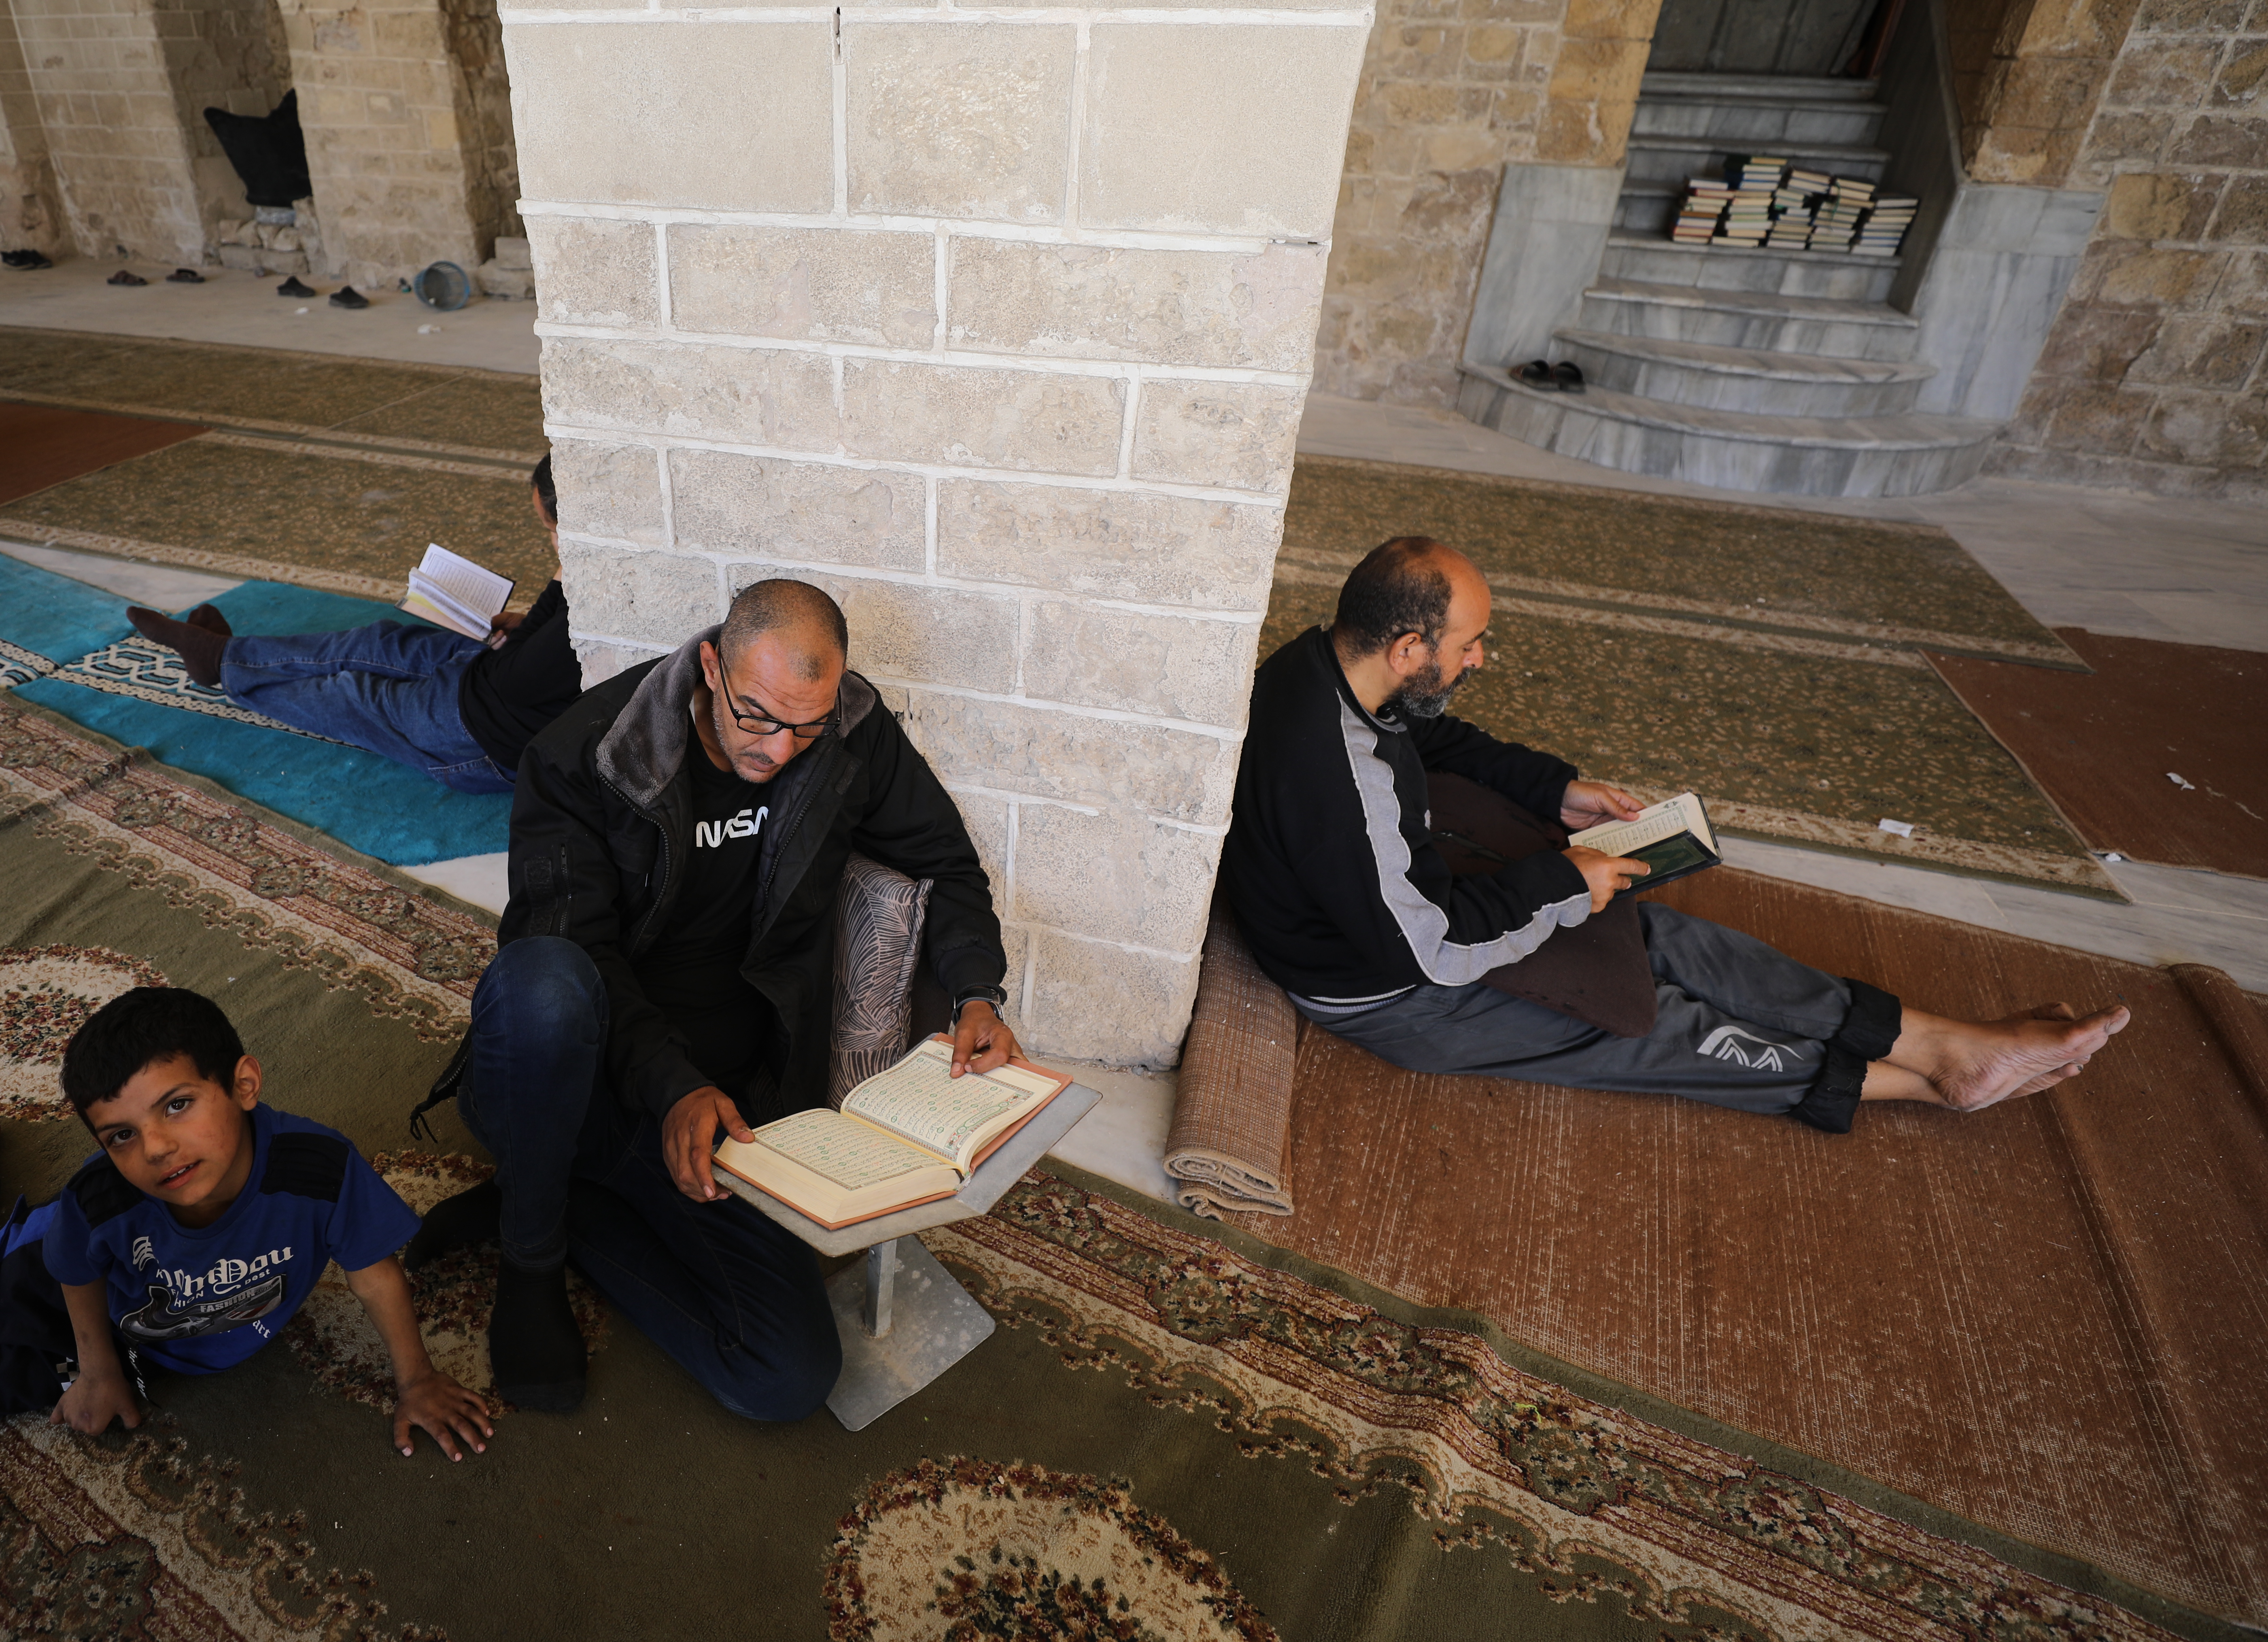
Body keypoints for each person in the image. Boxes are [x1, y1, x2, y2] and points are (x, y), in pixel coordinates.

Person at [1223, 536, 2127, 1133]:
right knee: (1638, 1024)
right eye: (1470, 643)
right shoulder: (1335, 774)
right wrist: (1561, 881)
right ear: (1410, 648)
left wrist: (1558, 792)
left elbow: (1438, 738)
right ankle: (1931, 1081)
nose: (1480, 658)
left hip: (1409, 918)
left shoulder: (1327, 663)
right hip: (1395, 991)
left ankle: (1937, 1039)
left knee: (1664, 937)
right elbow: (1434, 949)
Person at [404, 578, 1013, 1419]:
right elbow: (573, 947)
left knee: (785, 1375)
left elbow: (945, 861)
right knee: (544, 981)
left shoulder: (848, 729)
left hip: (733, 1106)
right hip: (581, 1072)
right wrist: (671, 1086)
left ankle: (547, 1195)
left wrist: (977, 992)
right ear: (712, 667)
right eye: (756, 715)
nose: (781, 748)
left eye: (806, 725)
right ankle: (530, 1254)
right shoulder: (589, 753)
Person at [0, 988, 497, 1458]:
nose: (155, 1149)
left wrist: (417, 1380)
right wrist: (96, 1370)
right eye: (120, 1135)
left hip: (138, 1338)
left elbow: (374, 1273)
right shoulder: (102, 1198)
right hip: (51, 1278)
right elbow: (73, 1270)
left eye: (177, 1106)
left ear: (243, 1085)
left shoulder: (318, 1169)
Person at [124, 455, 580, 792]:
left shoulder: (593, 625)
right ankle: (222, 655)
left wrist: (553, 594)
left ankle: (223, 667)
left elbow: (515, 680)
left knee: (353, 694)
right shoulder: (592, 579)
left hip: (482, 739)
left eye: (552, 530)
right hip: (495, 678)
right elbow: (540, 646)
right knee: (379, 642)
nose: (552, 543)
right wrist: (534, 618)